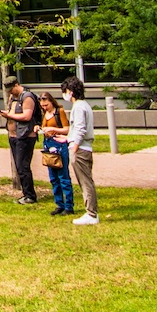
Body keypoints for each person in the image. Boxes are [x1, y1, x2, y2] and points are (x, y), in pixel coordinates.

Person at [59, 76, 99, 225]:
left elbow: (80, 129)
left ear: (70, 91)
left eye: (65, 91)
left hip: (81, 149)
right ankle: (91, 212)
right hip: (82, 147)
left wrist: (74, 147)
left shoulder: (79, 106)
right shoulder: (84, 105)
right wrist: (67, 139)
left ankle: (91, 213)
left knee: (85, 182)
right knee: (86, 181)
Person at [2, 79, 41, 204]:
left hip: (25, 136)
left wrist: (9, 116)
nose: (11, 93)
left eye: (12, 90)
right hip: (14, 136)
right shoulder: (13, 98)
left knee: (23, 166)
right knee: (19, 167)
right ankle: (26, 194)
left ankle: (30, 195)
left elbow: (26, 116)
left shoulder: (27, 97)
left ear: (17, 85)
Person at [39, 92, 74, 216]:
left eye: (46, 105)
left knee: (63, 176)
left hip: (59, 143)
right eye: (42, 106)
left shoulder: (60, 112)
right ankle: (59, 204)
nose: (44, 107)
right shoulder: (45, 114)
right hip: (48, 144)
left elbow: (67, 129)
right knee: (53, 178)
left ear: (51, 102)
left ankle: (69, 206)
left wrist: (53, 129)